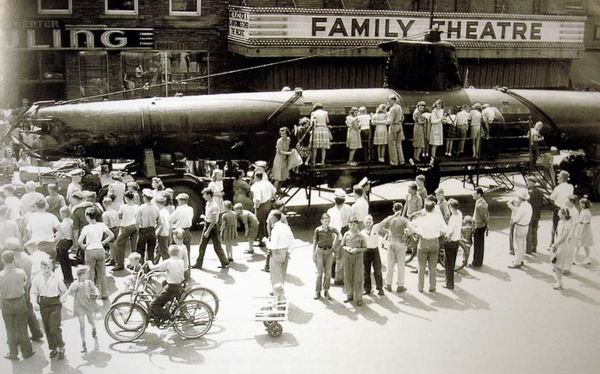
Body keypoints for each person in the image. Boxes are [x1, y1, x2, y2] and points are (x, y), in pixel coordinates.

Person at [0, 250, 35, 361]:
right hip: (20, 301)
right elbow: (25, 283)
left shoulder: (0, 275)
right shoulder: (21, 272)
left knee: (10, 329)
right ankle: (27, 351)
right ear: (13, 259)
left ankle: (13, 353)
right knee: (22, 328)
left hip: (6, 302)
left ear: (3, 260)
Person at [30, 258, 67, 360]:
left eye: (49, 267)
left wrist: (62, 299)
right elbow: (33, 292)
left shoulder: (57, 278)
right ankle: (53, 348)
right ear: (41, 267)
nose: (47, 269)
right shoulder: (37, 278)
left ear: (52, 267)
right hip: (44, 304)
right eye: (45, 267)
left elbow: (64, 290)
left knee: (54, 327)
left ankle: (61, 346)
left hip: (55, 303)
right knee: (47, 327)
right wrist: (34, 303)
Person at [409, 201, 448, 292]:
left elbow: (410, 225)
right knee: (432, 267)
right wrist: (438, 233)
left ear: (425, 209)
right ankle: (432, 287)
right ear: (434, 208)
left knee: (421, 266)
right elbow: (445, 229)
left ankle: (420, 287)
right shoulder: (437, 219)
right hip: (434, 242)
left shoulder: (422, 219)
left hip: (423, 242)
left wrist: (417, 231)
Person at [77, 207, 114, 299]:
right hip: (100, 250)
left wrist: (83, 246)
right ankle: (104, 293)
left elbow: (79, 241)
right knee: (102, 273)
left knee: (90, 273)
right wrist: (103, 242)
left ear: (87, 217)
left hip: (90, 250)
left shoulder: (86, 227)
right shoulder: (101, 225)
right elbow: (111, 235)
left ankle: (91, 294)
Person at [65, 266, 100, 353]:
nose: (88, 275)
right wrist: (62, 298)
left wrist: (96, 293)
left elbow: (95, 289)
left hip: (88, 304)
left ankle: (93, 327)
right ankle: (83, 343)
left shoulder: (89, 283)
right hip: (79, 305)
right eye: (87, 273)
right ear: (81, 275)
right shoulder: (74, 284)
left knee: (91, 320)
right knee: (82, 325)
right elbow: (68, 292)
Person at [193, 188, 229, 270]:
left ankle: (224, 261)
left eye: (204, 194)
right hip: (207, 224)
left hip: (212, 227)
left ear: (209, 195)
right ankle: (199, 263)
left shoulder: (214, 206)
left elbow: (213, 220)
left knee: (217, 246)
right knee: (202, 246)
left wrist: (207, 231)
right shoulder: (207, 203)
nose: (203, 196)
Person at [147, 245, 185, 321]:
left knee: (153, 304)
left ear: (169, 253)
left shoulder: (168, 262)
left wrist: (149, 262)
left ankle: (169, 317)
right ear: (178, 253)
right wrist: (161, 274)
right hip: (179, 285)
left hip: (171, 288)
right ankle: (162, 313)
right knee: (161, 294)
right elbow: (173, 271)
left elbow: (153, 268)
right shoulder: (181, 261)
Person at [379, 202, 409, 293]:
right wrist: (406, 235)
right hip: (400, 241)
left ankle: (388, 284)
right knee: (401, 265)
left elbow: (381, 226)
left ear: (393, 209)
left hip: (391, 241)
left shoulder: (390, 218)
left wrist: (388, 231)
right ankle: (400, 285)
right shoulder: (404, 220)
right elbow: (410, 229)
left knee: (390, 264)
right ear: (402, 209)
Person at [267, 211, 294, 301]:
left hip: (276, 253)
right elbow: (292, 240)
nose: (269, 219)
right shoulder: (286, 227)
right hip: (285, 253)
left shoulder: (275, 229)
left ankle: (278, 298)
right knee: (281, 275)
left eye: (270, 217)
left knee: (275, 276)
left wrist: (266, 242)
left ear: (274, 218)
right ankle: (280, 294)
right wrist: (288, 251)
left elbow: (273, 245)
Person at [327, 189, 352, 285]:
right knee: (340, 257)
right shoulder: (349, 208)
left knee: (333, 255)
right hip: (344, 232)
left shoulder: (331, 211)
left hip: (334, 233)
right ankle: (338, 278)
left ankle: (332, 274)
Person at [340, 217, 367, 305]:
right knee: (347, 276)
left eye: (354, 225)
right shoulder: (346, 234)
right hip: (348, 257)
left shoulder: (361, 235)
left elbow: (365, 248)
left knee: (358, 278)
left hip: (358, 257)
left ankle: (359, 298)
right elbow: (342, 245)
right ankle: (349, 295)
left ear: (357, 225)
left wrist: (357, 250)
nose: (352, 227)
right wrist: (347, 248)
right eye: (350, 225)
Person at [312, 212, 339, 300]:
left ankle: (326, 290)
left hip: (329, 252)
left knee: (328, 274)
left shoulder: (332, 229)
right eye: (325, 221)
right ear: (321, 221)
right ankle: (317, 291)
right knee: (319, 273)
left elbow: (338, 234)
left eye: (328, 221)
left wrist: (333, 246)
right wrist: (313, 254)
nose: (326, 223)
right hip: (319, 251)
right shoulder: (318, 230)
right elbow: (315, 242)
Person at [114, 191, 139, 271]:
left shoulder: (123, 206)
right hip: (134, 226)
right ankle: (134, 264)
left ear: (126, 198)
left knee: (119, 244)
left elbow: (120, 217)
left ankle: (120, 264)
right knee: (134, 246)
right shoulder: (136, 206)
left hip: (125, 226)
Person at [549, 208, 573, 290]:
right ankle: (559, 282)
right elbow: (558, 234)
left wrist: (556, 244)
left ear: (563, 214)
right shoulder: (560, 222)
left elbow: (564, 236)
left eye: (559, 213)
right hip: (558, 243)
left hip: (562, 245)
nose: (558, 214)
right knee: (555, 263)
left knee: (556, 264)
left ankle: (560, 283)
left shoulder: (568, 223)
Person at [508, 190, 532, 269]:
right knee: (523, 243)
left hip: (520, 226)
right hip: (526, 226)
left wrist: (513, 221)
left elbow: (517, 217)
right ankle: (521, 259)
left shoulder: (522, 207)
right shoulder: (529, 205)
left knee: (517, 245)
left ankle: (517, 262)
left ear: (521, 198)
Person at [251, 172, 276, 247]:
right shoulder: (267, 183)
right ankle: (269, 238)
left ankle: (261, 240)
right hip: (268, 203)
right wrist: (270, 197)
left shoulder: (256, 186)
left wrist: (256, 206)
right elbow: (274, 190)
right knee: (267, 221)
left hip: (260, 205)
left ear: (255, 177)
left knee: (260, 223)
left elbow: (258, 198)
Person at [361, 215, 383, 296]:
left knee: (377, 270)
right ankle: (367, 289)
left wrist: (395, 215)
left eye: (370, 222)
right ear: (364, 223)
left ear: (372, 222)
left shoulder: (376, 228)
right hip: (366, 252)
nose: (368, 224)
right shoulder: (362, 232)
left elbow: (384, 221)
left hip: (375, 251)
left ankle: (380, 288)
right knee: (366, 271)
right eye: (366, 222)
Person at [550, 170, 574, 244]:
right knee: (566, 225)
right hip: (567, 209)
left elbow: (552, 197)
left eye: (559, 177)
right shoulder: (571, 187)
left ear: (563, 178)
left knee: (555, 226)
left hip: (558, 208)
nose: (558, 178)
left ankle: (553, 242)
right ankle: (564, 242)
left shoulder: (558, 188)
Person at [169, 193, 193, 263]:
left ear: (182, 201)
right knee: (186, 253)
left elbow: (170, 220)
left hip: (178, 231)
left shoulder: (178, 210)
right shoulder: (190, 209)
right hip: (187, 230)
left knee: (176, 253)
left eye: (179, 200)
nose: (178, 202)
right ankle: (187, 272)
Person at [136, 189, 159, 262]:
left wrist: (138, 231)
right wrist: (155, 229)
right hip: (152, 229)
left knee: (140, 251)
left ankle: (140, 267)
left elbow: (137, 222)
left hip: (143, 229)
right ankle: (150, 268)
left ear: (145, 198)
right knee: (151, 251)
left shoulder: (141, 208)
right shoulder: (156, 208)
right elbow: (160, 222)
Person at [444, 199, 462, 289]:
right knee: (453, 262)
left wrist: (446, 237)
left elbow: (450, 231)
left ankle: (449, 284)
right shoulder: (459, 214)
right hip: (457, 241)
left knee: (448, 264)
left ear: (451, 207)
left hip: (451, 242)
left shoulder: (452, 218)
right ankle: (450, 282)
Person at [56, 206, 74, 284]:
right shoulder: (71, 221)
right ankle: (69, 277)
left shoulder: (63, 223)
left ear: (63, 213)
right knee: (66, 260)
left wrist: (55, 240)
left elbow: (61, 234)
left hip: (64, 241)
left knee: (63, 261)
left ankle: (67, 278)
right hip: (69, 240)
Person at [472, 188, 489, 268]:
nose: (473, 195)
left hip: (479, 226)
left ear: (479, 194)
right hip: (480, 226)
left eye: (474, 194)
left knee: (478, 245)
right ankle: (478, 261)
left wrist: (486, 224)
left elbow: (484, 216)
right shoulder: (481, 202)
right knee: (479, 245)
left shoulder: (480, 205)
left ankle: (476, 262)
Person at [563, 195, 580, 273]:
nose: (566, 202)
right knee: (563, 249)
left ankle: (568, 267)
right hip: (564, 230)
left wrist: (570, 235)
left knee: (569, 250)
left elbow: (575, 224)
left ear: (572, 202)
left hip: (570, 232)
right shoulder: (566, 208)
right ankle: (561, 265)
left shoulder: (575, 211)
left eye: (568, 201)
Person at [386, 95, 405, 165]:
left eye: (389, 101)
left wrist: (384, 120)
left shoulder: (393, 109)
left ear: (393, 100)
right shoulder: (399, 107)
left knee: (392, 144)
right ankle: (401, 160)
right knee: (399, 144)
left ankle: (394, 161)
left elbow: (389, 121)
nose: (388, 102)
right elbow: (402, 117)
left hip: (393, 126)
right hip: (400, 126)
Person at [527, 178, 544, 254]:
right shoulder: (540, 191)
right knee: (535, 231)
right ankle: (534, 247)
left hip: (530, 214)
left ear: (532, 182)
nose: (528, 183)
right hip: (537, 213)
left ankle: (529, 248)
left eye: (529, 182)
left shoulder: (529, 192)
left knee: (529, 231)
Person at [575, 197, 593, 265]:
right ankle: (574, 257)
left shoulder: (587, 213)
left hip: (585, 230)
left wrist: (580, 233)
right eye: (580, 204)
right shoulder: (583, 211)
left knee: (585, 244)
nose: (581, 205)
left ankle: (587, 258)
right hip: (580, 228)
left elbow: (585, 224)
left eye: (582, 204)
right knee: (578, 244)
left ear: (586, 204)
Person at [101, 197, 119, 266]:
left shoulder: (105, 214)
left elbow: (105, 224)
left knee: (111, 245)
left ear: (104, 204)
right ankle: (113, 257)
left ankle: (113, 259)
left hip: (110, 229)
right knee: (115, 244)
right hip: (116, 228)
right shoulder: (115, 211)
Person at [154, 195, 171, 263]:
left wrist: (156, 234)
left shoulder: (160, 213)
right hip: (166, 232)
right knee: (159, 249)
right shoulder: (166, 211)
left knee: (164, 252)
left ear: (158, 204)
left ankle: (168, 265)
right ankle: (155, 262)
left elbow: (161, 225)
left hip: (162, 233)